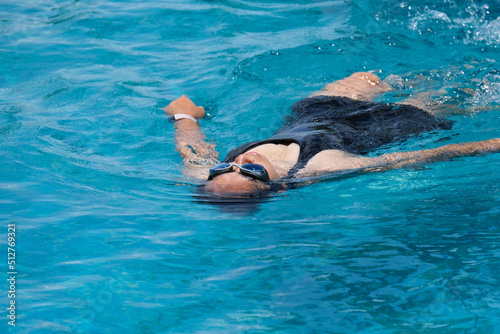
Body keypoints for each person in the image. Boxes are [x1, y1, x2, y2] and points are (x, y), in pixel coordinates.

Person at [165, 72, 500, 197]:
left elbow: (190, 146)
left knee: (367, 78)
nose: (239, 161)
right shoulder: (322, 167)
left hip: (314, 112)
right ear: (277, 187)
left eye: (225, 169)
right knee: (455, 93)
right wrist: (489, 144)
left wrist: (184, 114)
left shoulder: (204, 172)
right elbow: (412, 157)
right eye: (250, 172)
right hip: (380, 124)